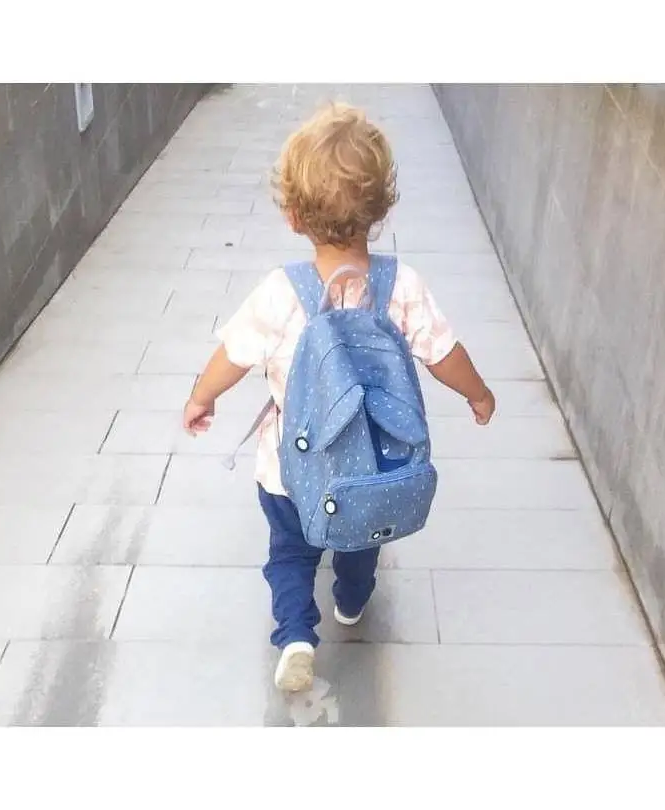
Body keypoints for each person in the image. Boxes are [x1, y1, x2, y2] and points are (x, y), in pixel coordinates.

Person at [182, 102, 495, 692]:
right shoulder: (402, 286)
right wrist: (478, 394)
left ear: (293, 216)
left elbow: (233, 356)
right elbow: (443, 353)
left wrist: (202, 397)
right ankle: (351, 599)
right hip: (372, 470)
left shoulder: (280, 293)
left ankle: (296, 634)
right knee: (361, 539)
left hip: (289, 470)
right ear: (381, 211)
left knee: (290, 551)